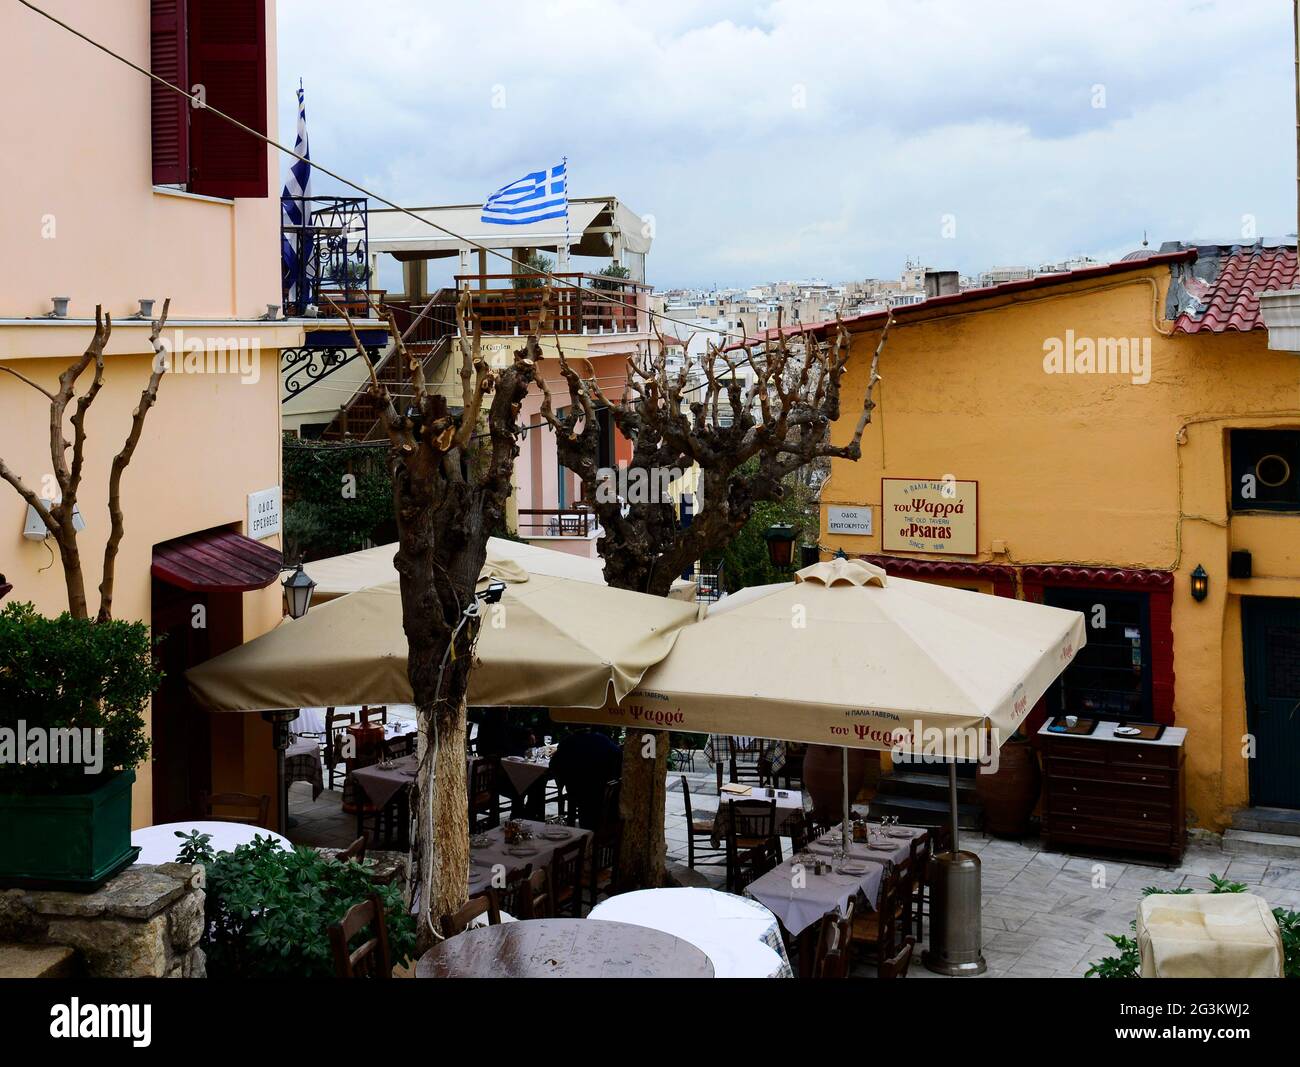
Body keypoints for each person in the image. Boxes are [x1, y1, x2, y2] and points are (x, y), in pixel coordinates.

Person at [548, 727, 622, 829]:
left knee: (584, 805)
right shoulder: (602, 739)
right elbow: (618, 756)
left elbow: (554, 765)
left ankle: (579, 831)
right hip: (599, 787)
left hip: (576, 787)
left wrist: (564, 781)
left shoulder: (568, 741)